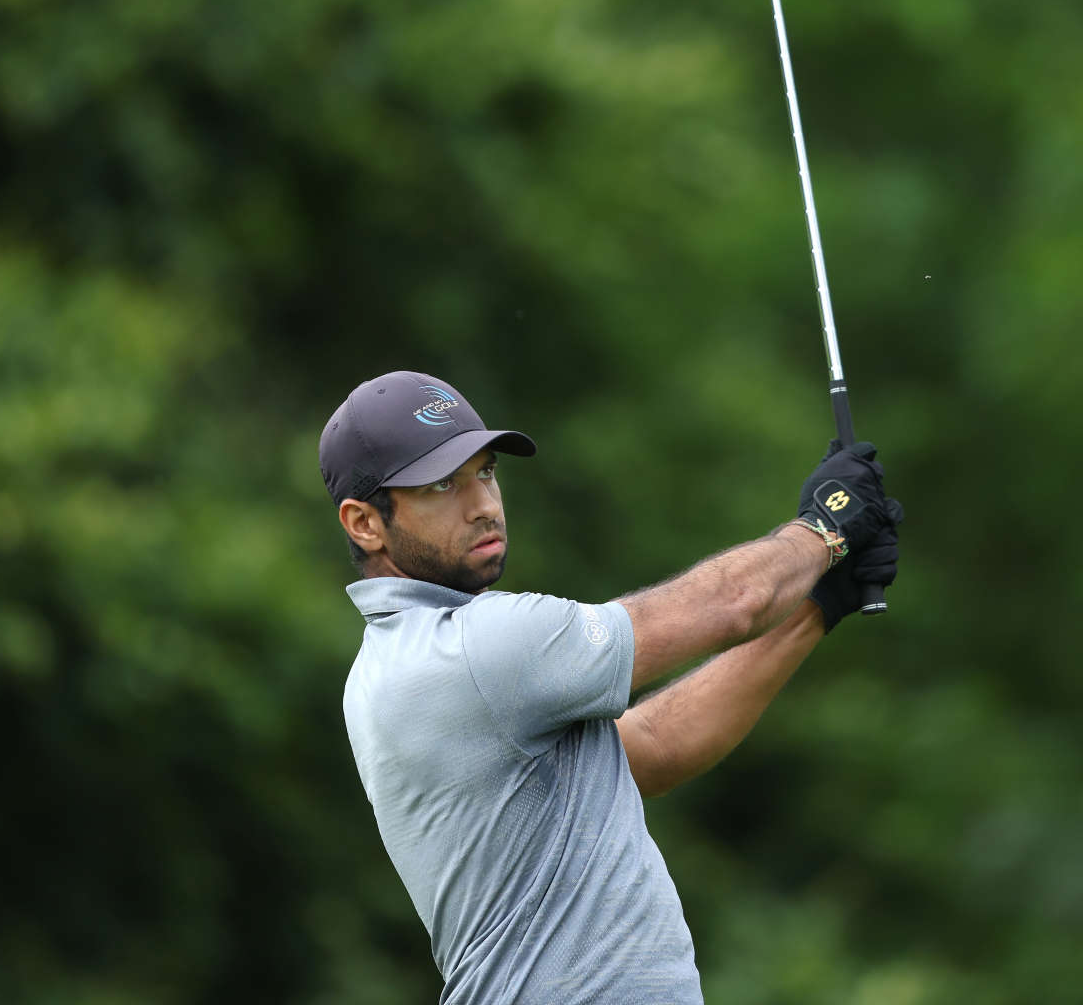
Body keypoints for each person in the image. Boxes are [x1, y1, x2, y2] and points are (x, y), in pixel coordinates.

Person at [322, 370, 903, 1004]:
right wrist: (827, 525)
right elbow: (735, 601)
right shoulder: (470, 647)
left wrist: (818, 604)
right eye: (441, 484)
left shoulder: (401, 664)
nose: (483, 503)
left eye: (484, 472)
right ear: (364, 523)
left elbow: (653, 747)